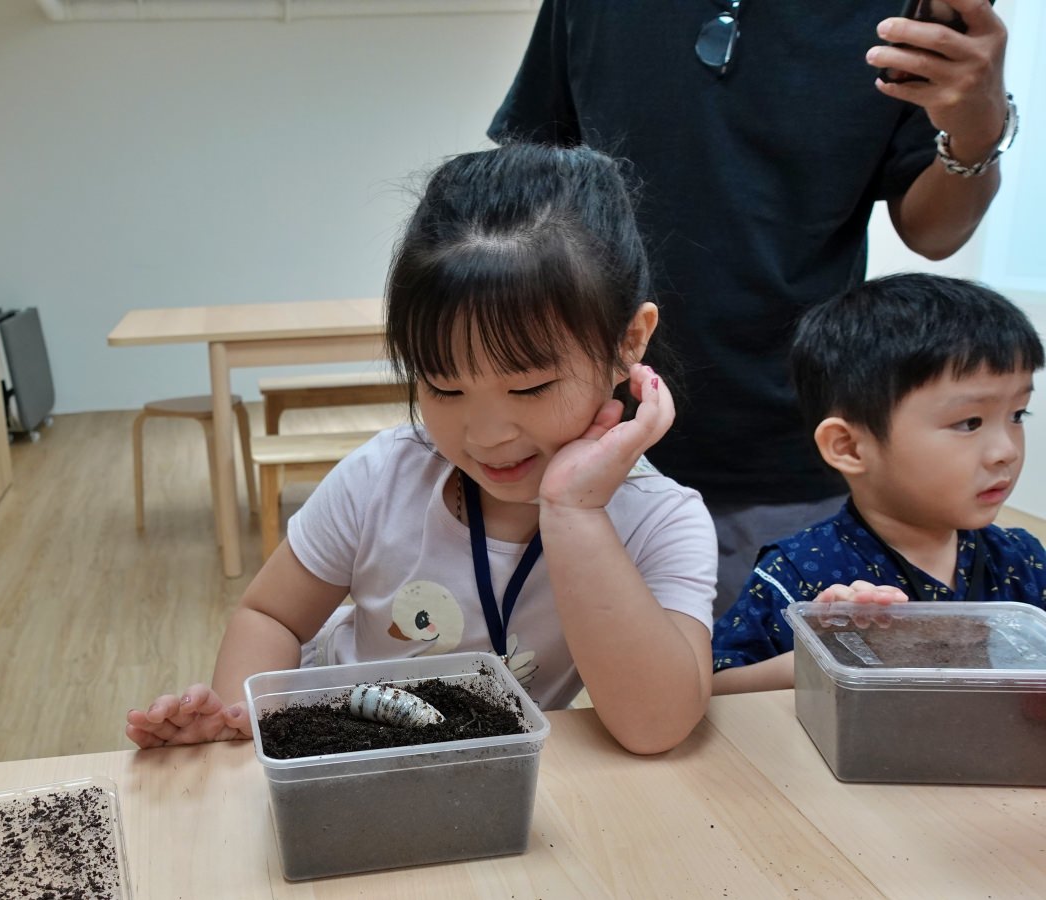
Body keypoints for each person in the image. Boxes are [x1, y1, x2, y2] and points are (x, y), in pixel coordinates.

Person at [127, 144, 718, 755]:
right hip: (335, 749)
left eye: (529, 386)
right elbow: (272, 616)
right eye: (444, 387)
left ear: (630, 340)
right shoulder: (381, 478)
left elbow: (656, 725)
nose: (486, 435)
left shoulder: (659, 519)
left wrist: (574, 511)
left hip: (489, 786)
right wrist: (244, 724)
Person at [488, 0, 1017, 617]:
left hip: (785, 449)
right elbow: (531, 187)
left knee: (762, 701)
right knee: (553, 693)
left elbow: (933, 231)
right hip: (583, 437)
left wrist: (977, 129)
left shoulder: (898, 11)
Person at [711, 273, 1046, 694]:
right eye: (969, 422)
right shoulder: (800, 570)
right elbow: (714, 685)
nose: (1006, 451)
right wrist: (821, 657)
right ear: (849, 447)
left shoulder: (1020, 560)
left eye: (1018, 415)